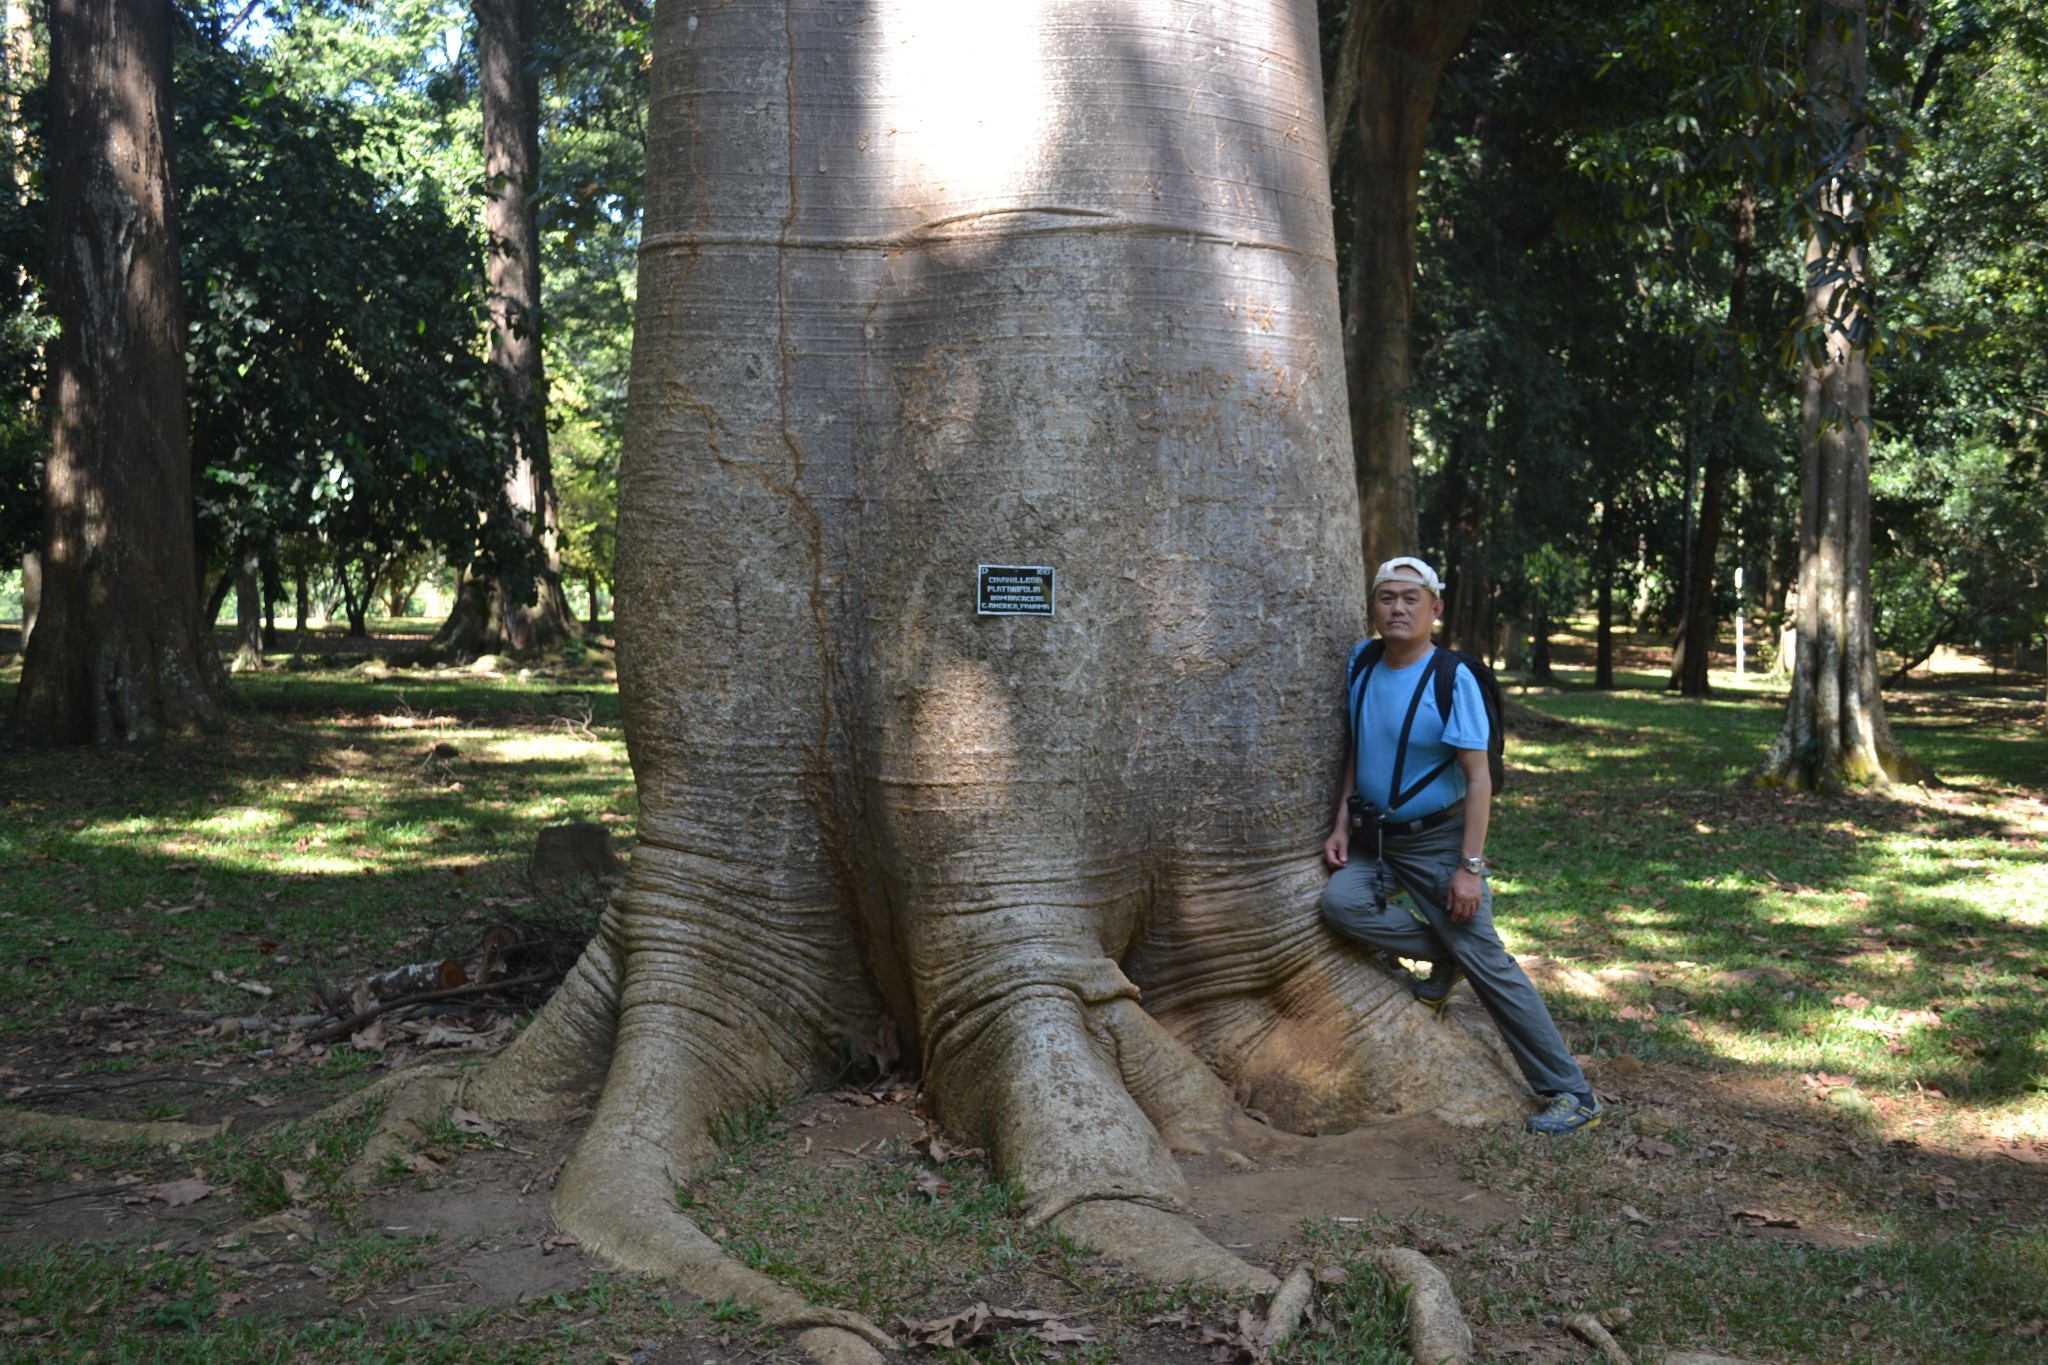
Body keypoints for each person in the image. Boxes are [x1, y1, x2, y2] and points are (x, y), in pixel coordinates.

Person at [1320, 556, 1601, 1135]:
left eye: (1411, 599)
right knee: (1339, 906)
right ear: (1373, 606)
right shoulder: (1362, 662)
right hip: (1377, 836)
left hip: (1439, 842)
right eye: (1387, 598)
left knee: (1491, 964)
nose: (1398, 609)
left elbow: (1479, 778)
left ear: (1435, 609)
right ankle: (1446, 953)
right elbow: (1357, 746)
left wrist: (1469, 868)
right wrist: (1342, 822)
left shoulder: (1453, 678)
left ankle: (1572, 1093)